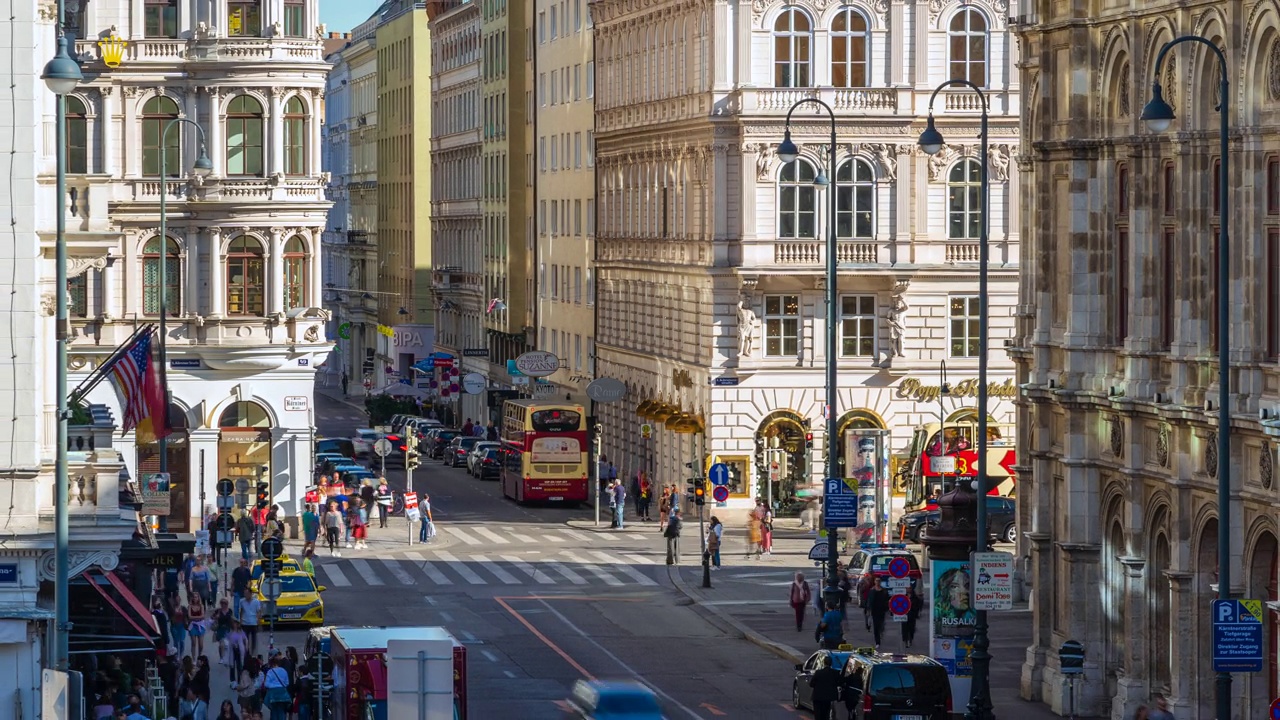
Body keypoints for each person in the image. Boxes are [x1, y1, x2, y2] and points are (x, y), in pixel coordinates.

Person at [807, 654, 842, 720]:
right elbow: (839, 682)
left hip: (818, 698)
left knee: (818, 715)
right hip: (828, 698)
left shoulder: (818, 673)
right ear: (831, 664)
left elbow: (811, 684)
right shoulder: (834, 673)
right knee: (826, 714)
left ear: (824, 663)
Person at [867, 576, 890, 648]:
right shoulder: (872, 590)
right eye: (876, 581)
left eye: (879, 581)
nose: (877, 582)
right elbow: (869, 601)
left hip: (882, 610)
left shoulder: (884, 591)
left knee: (881, 625)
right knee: (876, 626)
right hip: (874, 611)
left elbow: (887, 600)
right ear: (874, 582)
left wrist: (888, 608)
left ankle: (881, 632)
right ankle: (877, 642)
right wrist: (868, 610)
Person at [237, 588, 261, 655]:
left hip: (253, 623)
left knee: (254, 639)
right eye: (245, 594)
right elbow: (241, 611)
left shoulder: (256, 602)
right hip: (245, 623)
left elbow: (258, 612)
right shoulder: (242, 601)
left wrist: (258, 621)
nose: (245, 595)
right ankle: (246, 652)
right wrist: (240, 621)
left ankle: (253, 652)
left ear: (250, 594)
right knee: (245, 639)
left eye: (247, 594)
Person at [187, 594, 208, 659]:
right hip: (193, 625)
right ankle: (193, 658)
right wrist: (198, 617)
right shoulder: (190, 606)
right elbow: (189, 617)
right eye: (194, 597)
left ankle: (199, 656)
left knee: (201, 644)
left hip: (200, 625)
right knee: (193, 643)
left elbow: (203, 616)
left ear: (198, 598)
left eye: (196, 597)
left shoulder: (201, 606)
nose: (195, 598)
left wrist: (194, 617)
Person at [902, 580, 922, 648]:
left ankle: (910, 639)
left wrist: (917, 613)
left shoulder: (915, 597)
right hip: (904, 615)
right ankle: (905, 641)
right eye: (907, 588)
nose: (908, 589)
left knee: (911, 629)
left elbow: (918, 605)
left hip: (912, 615)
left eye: (910, 588)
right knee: (904, 628)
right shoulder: (903, 596)